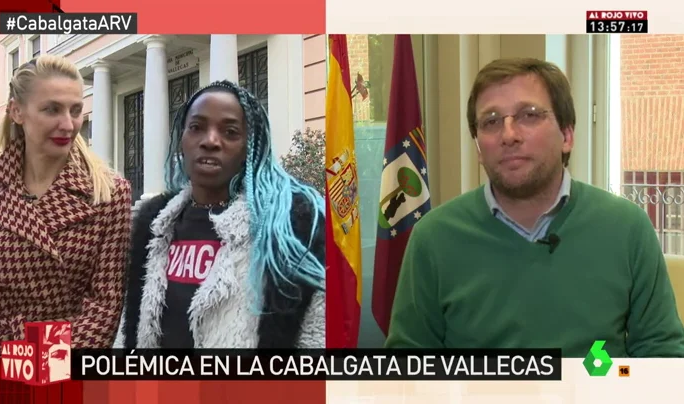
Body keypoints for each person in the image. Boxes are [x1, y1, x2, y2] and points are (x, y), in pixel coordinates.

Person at [385, 57, 684, 357]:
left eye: (529, 115)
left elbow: (661, 352)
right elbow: (408, 369)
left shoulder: (627, 228)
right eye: (491, 121)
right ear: (478, 147)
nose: (509, 135)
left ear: (567, 135)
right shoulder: (434, 239)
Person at [115, 80, 325, 349]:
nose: (211, 141)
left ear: (250, 147)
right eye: (196, 128)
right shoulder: (153, 226)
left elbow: (315, 337)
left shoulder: (289, 228)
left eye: (230, 131)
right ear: (182, 140)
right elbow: (129, 328)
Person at [0, 55, 132, 357]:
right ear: (17, 112)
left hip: (68, 369)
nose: (68, 124)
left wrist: (35, 367)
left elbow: (104, 307)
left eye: (76, 110)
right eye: (52, 109)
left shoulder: (108, 193)